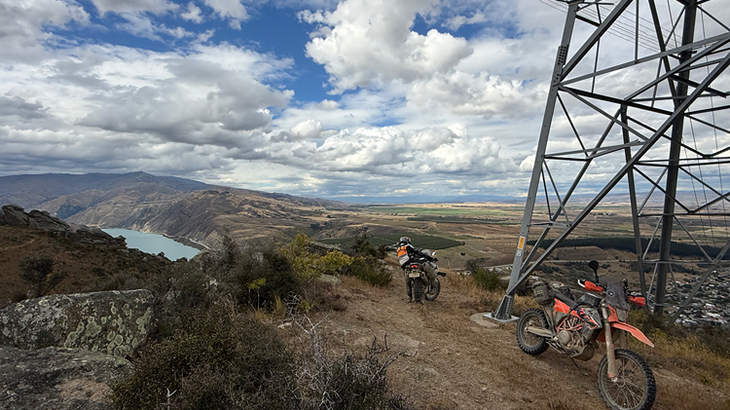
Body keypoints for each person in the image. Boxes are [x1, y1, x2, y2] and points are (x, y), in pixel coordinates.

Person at [393, 237, 443, 302]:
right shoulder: (408, 246)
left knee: (408, 282)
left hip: (404, 265)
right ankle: (433, 279)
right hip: (410, 261)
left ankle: (410, 297)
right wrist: (428, 257)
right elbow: (417, 252)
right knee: (425, 264)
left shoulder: (399, 249)